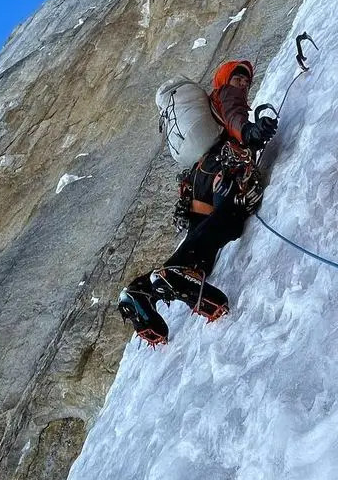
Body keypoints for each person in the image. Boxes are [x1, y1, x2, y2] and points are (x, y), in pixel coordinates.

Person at [117, 59, 277, 345]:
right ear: (223, 81)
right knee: (230, 218)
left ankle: (142, 291)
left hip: (196, 185)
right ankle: (175, 276)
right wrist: (249, 132)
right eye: (238, 79)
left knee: (199, 248)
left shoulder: (207, 112)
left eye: (246, 82)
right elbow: (234, 115)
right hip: (219, 168)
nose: (242, 85)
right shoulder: (225, 96)